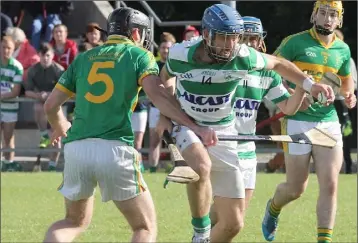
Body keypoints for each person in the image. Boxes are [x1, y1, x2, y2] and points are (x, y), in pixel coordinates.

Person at [157, 4, 334, 243]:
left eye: (236, 39)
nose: (231, 46)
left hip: (224, 133)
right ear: (207, 34)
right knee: (200, 167)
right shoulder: (181, 54)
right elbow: (164, 80)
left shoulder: (243, 57)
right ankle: (200, 232)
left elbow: (279, 65)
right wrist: (171, 114)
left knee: (234, 224)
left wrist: (310, 86)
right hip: (189, 126)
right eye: (224, 38)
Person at [42, 7, 216, 243]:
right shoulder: (139, 56)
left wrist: (60, 124)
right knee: (144, 228)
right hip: (115, 150)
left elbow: (50, 106)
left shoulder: (83, 58)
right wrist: (194, 126)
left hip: (76, 150)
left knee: (72, 223)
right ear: (136, 33)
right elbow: (159, 97)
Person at [261, 1, 357, 242]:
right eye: (322, 13)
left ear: (339, 20)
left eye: (332, 14)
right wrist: (291, 95)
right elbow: (271, 70)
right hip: (297, 119)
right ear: (314, 15)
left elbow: (345, 83)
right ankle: (273, 209)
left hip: (327, 120)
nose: (327, 18)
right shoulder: (295, 42)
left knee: (331, 184)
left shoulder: (343, 50)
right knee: (296, 188)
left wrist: (349, 95)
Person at [210, 16, 307, 226]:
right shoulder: (221, 66)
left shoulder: (267, 73)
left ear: (260, 41)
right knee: (231, 218)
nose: (250, 44)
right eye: (244, 38)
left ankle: (201, 236)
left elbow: (289, 108)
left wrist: (301, 89)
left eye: (254, 38)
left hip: (247, 148)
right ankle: (201, 235)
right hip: (224, 146)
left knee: (236, 217)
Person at [24, 42, 64, 171]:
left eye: (48, 55)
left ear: (52, 55)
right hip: (40, 102)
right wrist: (39, 96)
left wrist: (50, 95)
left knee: (57, 138)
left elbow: (65, 91)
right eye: (42, 55)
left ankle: (52, 166)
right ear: (39, 56)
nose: (45, 58)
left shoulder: (59, 70)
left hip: (56, 104)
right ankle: (43, 134)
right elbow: (27, 91)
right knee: (38, 108)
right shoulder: (32, 70)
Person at [148, 32, 176, 173]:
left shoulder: (177, 66)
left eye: (168, 48)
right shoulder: (154, 66)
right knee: (155, 140)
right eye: (163, 48)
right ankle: (153, 168)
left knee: (174, 140)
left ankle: (176, 167)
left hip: (173, 108)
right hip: (155, 108)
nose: (165, 50)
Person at [333, 29, 356, 174]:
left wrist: (347, 92)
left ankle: (347, 165)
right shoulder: (322, 58)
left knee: (344, 136)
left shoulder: (347, 59)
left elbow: (354, 82)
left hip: (342, 103)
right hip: (325, 102)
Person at [0, 36, 23, 172]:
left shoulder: (17, 66)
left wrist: (1, 96)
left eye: (9, 48)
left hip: (10, 106)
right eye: (3, 47)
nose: (5, 50)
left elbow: (15, 91)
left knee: (8, 136)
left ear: (13, 49)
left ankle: (10, 163)